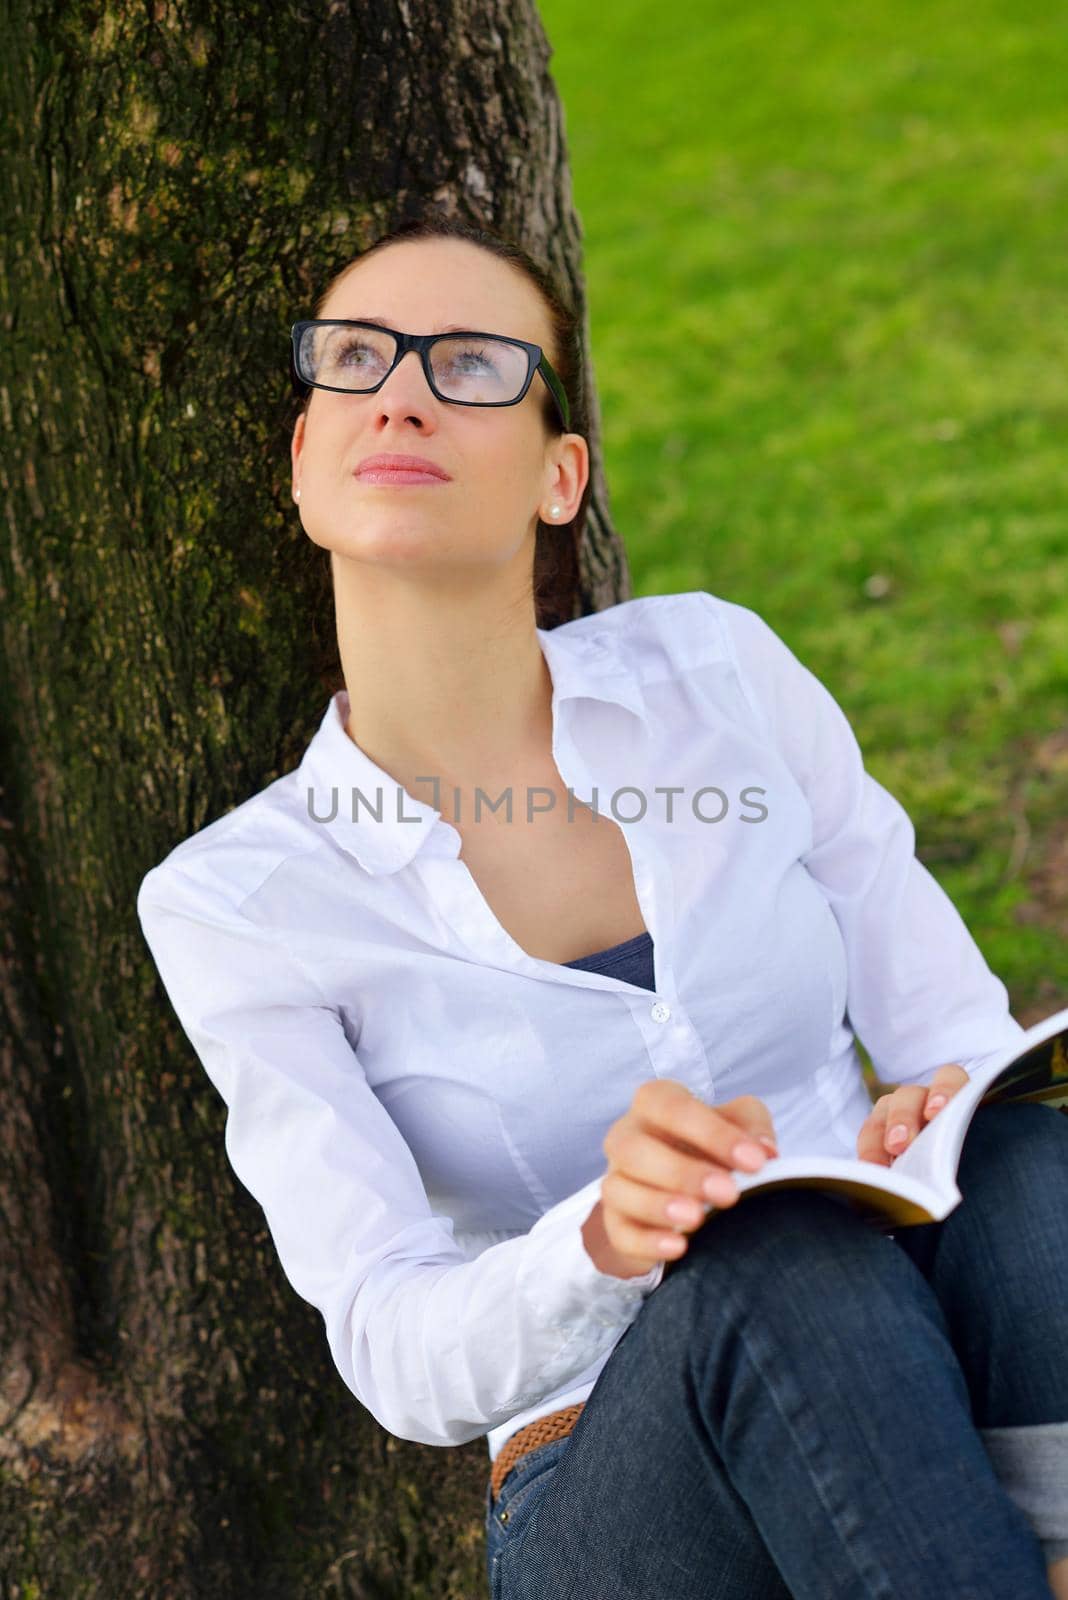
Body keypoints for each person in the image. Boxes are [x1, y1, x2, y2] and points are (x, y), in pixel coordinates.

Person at [136, 215, 1068, 1599]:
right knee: (776, 1257)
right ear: (303, 456)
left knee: (1023, 1166)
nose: (399, 390)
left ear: (558, 476)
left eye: (469, 363)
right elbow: (393, 1343)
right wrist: (602, 1240)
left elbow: (950, 1031)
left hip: (905, 1342)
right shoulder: (237, 904)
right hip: (606, 1484)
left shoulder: (719, 674)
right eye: (354, 358)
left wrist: (936, 1097)